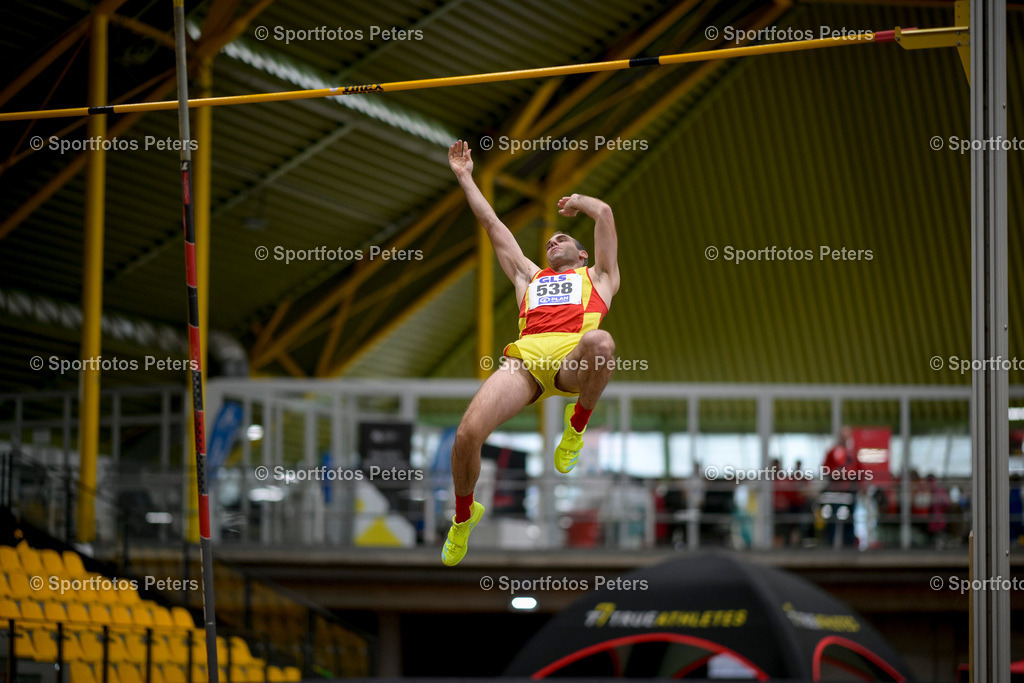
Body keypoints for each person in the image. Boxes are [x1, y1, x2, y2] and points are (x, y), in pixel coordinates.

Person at [441, 140, 620, 566]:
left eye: (563, 238)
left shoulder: (600, 277)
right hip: (523, 368)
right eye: (548, 241)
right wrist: (465, 176)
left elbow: (606, 214)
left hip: (572, 363)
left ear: (582, 255)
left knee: (602, 342)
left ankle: (576, 425)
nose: (553, 239)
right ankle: (464, 517)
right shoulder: (528, 276)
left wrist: (579, 201)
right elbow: (492, 223)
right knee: (466, 435)